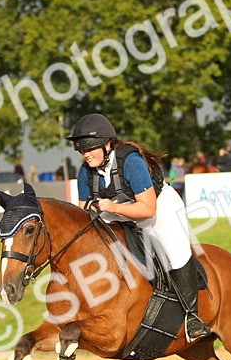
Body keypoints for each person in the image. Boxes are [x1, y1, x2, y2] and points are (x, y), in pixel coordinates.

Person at [67, 112, 211, 341]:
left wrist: (112, 208)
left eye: (90, 149)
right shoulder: (87, 171)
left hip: (157, 208)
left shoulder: (131, 161)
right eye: (82, 150)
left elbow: (147, 209)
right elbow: (84, 209)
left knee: (176, 252)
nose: (85, 154)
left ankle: (192, 317)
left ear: (106, 145)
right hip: (117, 209)